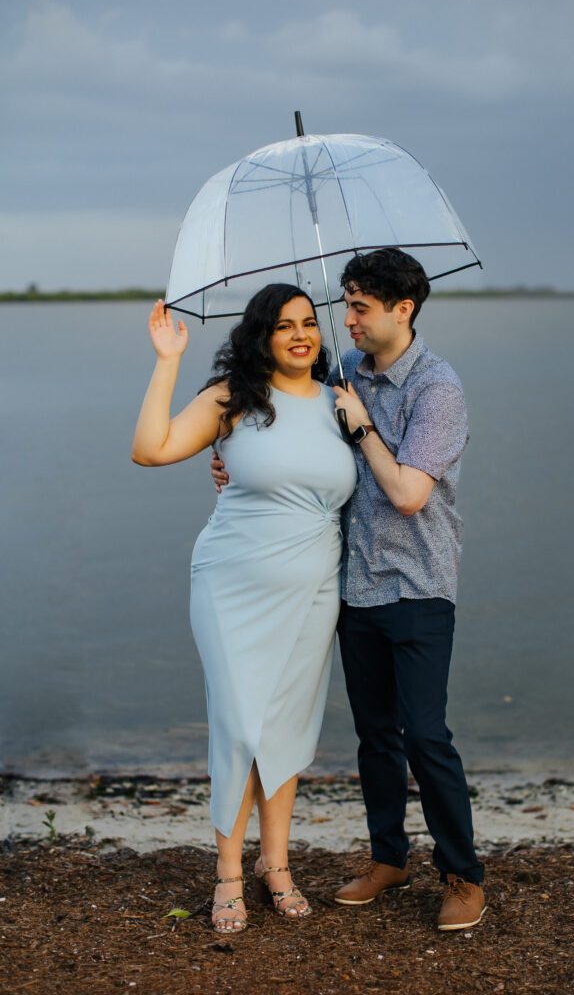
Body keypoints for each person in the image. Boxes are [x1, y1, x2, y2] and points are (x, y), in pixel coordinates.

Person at [212, 247, 485, 932]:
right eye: (346, 305)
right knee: (374, 738)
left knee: (426, 736)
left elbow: (407, 494)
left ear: (403, 310)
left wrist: (359, 424)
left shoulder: (437, 390)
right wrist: (234, 466)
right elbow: (285, 440)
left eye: (359, 307)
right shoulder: (340, 373)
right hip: (350, 588)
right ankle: (387, 859)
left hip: (418, 586)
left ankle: (461, 873)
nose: (347, 319)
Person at [132, 283, 357, 935]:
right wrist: (167, 359)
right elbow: (150, 449)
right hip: (232, 585)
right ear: (259, 336)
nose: (300, 334)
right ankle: (229, 870)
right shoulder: (232, 400)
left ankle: (275, 863)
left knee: (286, 725)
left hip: (316, 587)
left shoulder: (340, 400)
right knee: (237, 725)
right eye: (284, 325)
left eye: (309, 323)